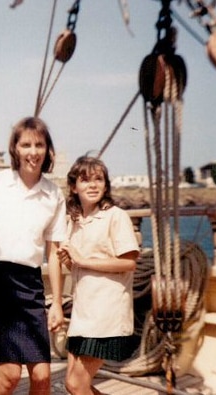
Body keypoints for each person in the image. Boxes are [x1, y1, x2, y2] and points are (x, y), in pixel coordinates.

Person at [0, 116, 67, 394]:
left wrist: (56, 303)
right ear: (15, 149)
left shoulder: (53, 194)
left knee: (43, 376)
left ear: (48, 150)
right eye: (26, 145)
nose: (33, 152)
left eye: (39, 145)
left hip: (30, 285)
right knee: (9, 377)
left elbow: (54, 252)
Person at [58, 156, 140, 395]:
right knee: (73, 384)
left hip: (106, 317)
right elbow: (81, 264)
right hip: (83, 315)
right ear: (74, 187)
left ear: (105, 186)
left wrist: (82, 260)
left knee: (76, 384)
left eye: (98, 179)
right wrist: (70, 262)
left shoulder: (116, 216)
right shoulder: (75, 222)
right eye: (85, 180)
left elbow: (128, 263)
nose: (92, 185)